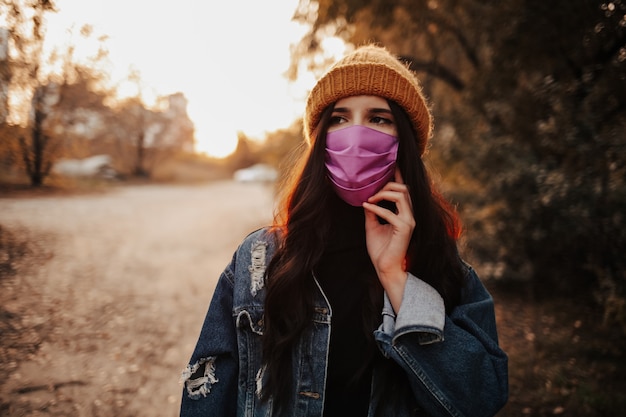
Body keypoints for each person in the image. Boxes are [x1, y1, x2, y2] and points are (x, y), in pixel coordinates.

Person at [179, 44, 509, 417]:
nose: (356, 135)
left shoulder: (443, 266)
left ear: (406, 143)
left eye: (378, 118)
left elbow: (481, 398)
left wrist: (395, 278)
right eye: (339, 118)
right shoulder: (259, 260)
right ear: (320, 139)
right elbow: (206, 397)